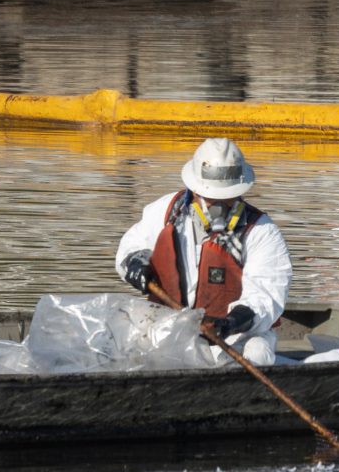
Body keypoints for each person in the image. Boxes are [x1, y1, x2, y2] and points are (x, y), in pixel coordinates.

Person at [114, 136, 291, 366]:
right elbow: (131, 245)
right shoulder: (167, 211)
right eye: (211, 199)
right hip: (168, 326)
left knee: (256, 353)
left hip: (234, 336)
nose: (217, 208)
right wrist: (135, 262)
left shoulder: (261, 231)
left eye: (227, 199)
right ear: (194, 190)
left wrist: (229, 323)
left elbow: (267, 296)